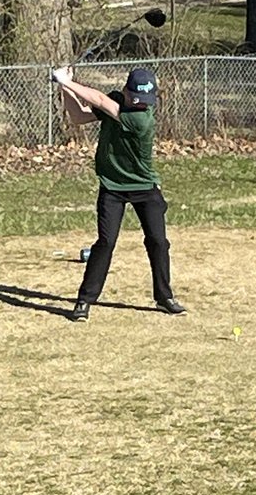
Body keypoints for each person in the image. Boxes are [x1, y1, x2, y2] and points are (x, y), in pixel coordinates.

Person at [52, 63, 186, 321]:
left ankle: (164, 297)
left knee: (158, 241)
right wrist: (64, 85)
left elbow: (100, 99)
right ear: (125, 91)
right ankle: (84, 300)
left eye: (144, 101)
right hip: (112, 187)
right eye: (135, 99)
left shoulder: (142, 118)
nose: (139, 104)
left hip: (144, 187)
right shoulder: (116, 101)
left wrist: (67, 82)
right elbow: (79, 117)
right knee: (105, 243)